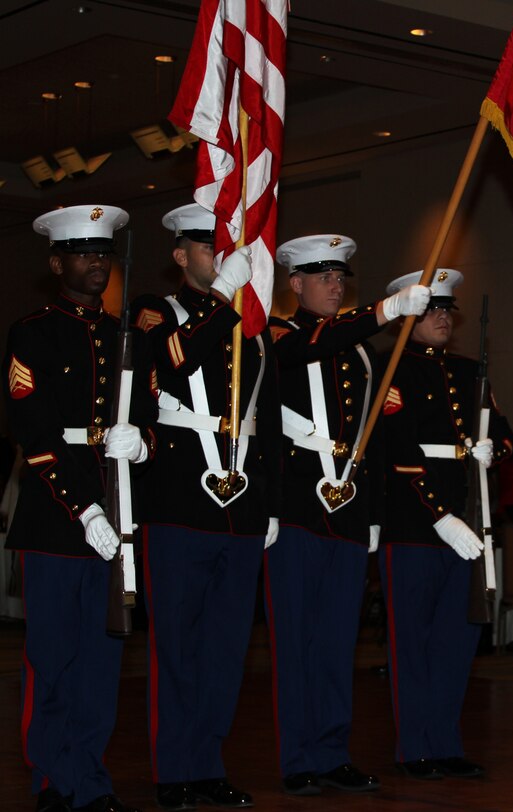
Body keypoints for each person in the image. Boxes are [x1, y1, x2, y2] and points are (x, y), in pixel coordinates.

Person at [263, 234, 429, 796]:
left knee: (337, 640)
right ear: (295, 284)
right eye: (324, 276)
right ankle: (298, 757)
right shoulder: (278, 335)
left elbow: (374, 439)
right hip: (298, 508)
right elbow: (308, 348)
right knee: (295, 641)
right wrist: (384, 310)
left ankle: (333, 752)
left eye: (341, 277)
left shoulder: (361, 352)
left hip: (349, 510)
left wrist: (376, 513)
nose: (336, 285)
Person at [130, 203, 281, 810]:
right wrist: (222, 294)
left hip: (239, 502)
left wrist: (267, 503)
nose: (220, 256)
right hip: (178, 499)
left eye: (226, 248)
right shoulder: (153, 312)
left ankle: (208, 761)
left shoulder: (252, 326)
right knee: (176, 643)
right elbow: (173, 362)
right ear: (179, 253)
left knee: (225, 646)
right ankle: (174, 769)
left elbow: (264, 418)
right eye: (207, 247)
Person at [5, 205, 154, 812]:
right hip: (55, 521)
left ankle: (90, 777)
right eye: (83, 252)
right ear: (56, 262)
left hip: (116, 515)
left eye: (104, 252)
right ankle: (51, 778)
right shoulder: (32, 333)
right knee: (53, 659)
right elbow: (32, 431)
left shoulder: (128, 335)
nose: (97, 262)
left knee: (101, 659)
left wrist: (141, 440)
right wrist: (85, 508)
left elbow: (146, 414)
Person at [377, 268, 512, 780]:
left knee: (456, 640)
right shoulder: (394, 370)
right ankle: (414, 748)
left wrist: (490, 448)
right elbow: (399, 451)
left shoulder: (469, 369)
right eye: (431, 309)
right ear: (408, 316)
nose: (441, 317)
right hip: (416, 524)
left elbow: (504, 433)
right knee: (411, 641)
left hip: (468, 521)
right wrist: (440, 516)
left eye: (445, 310)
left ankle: (445, 741)